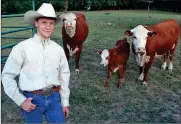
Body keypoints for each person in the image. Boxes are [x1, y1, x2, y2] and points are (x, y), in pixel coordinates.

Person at [2, 3, 70, 123]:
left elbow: (64, 75)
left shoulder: (58, 49)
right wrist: (21, 100)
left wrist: (65, 102)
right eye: (44, 22)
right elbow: (7, 76)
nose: (48, 27)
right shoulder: (22, 48)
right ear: (36, 23)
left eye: (51, 23)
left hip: (54, 98)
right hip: (32, 99)